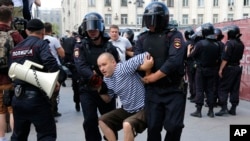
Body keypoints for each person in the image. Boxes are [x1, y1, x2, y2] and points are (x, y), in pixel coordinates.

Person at [133, 2, 186, 141]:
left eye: (153, 19)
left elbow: (174, 61)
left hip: (173, 89)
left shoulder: (174, 36)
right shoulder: (142, 38)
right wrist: (146, 71)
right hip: (153, 91)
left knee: (174, 126)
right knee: (153, 127)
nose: (150, 24)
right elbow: (136, 60)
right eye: (147, 19)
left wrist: (153, 77)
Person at [9, 19, 60, 141]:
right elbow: (50, 61)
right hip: (37, 97)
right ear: (43, 31)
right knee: (46, 135)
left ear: (27, 31)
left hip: (17, 97)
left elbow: (11, 71)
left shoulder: (16, 48)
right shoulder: (41, 44)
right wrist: (55, 79)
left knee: (18, 136)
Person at [73, 12, 120, 141]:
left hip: (107, 89)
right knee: (90, 120)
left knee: (110, 121)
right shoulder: (80, 45)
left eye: (94, 28)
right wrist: (96, 80)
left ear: (100, 28)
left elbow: (117, 66)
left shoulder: (109, 46)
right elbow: (81, 66)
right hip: (88, 89)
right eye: (89, 28)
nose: (92, 31)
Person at [98, 52, 153, 141]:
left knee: (127, 124)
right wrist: (99, 89)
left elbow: (146, 54)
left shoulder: (123, 68)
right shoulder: (106, 79)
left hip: (144, 108)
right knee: (102, 121)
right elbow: (108, 99)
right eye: (99, 66)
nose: (102, 69)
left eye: (104, 64)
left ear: (113, 63)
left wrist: (143, 67)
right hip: (128, 110)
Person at [188, 23, 221, 118]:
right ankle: (211, 111)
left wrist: (190, 51)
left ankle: (198, 111)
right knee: (210, 90)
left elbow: (192, 55)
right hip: (212, 70)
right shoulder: (217, 44)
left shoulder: (200, 44)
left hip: (201, 70)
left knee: (200, 90)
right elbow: (219, 58)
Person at [0, 6, 23, 141]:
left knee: (0, 111)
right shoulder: (14, 34)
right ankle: (16, 138)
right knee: (13, 110)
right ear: (11, 18)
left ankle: (1, 138)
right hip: (12, 78)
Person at [215, 25, 244, 116]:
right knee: (235, 88)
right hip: (237, 68)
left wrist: (220, 69)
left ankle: (224, 108)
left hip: (229, 68)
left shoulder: (229, 44)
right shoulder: (241, 44)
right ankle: (233, 108)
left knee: (223, 88)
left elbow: (225, 59)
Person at [44, 22, 66, 117]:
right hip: (54, 66)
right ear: (51, 30)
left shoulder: (39, 39)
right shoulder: (54, 40)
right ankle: (53, 110)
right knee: (55, 90)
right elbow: (62, 54)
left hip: (43, 67)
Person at [62, 32, 81, 111]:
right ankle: (77, 102)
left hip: (76, 67)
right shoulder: (79, 41)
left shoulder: (69, 41)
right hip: (77, 67)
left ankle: (77, 102)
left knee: (76, 86)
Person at [184, 28, 196, 102]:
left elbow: (184, 55)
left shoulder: (186, 43)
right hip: (196, 63)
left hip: (189, 63)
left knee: (191, 80)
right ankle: (195, 95)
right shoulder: (196, 42)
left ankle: (193, 95)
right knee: (196, 80)